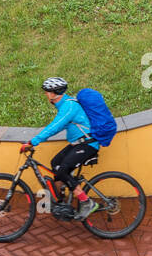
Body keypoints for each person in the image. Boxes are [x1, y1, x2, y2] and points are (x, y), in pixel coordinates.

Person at [19, 77, 100, 220]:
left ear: (53, 93)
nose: (46, 94)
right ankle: (60, 204)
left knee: (62, 170)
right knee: (55, 163)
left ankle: (86, 202)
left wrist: (33, 141)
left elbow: (54, 127)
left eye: (47, 92)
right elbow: (57, 126)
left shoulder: (69, 107)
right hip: (78, 143)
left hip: (88, 144)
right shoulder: (65, 106)